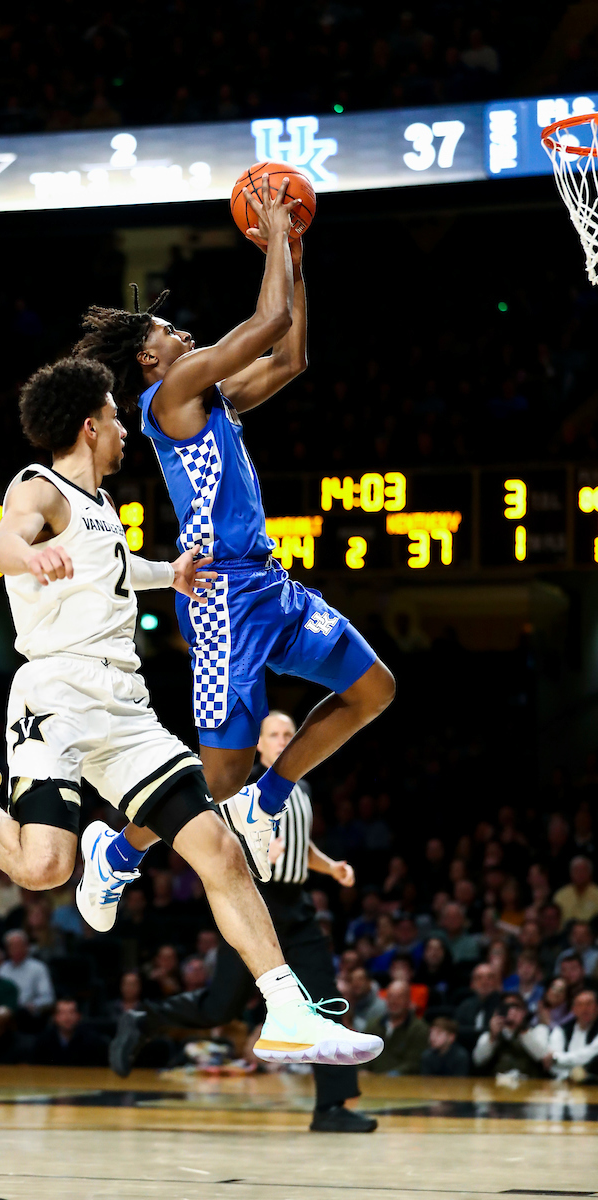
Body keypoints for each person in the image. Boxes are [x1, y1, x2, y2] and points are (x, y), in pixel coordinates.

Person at [0, 357, 382, 1071]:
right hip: (55, 700)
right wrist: (21, 559)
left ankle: (287, 1011)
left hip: (123, 709)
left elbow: (115, 570)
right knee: (42, 868)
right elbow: (6, 537)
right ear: (90, 426)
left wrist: (171, 573)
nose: (128, 428)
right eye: (117, 418)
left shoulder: (102, 511)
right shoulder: (41, 486)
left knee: (217, 847)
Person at [73, 176, 394, 883]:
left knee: (374, 689)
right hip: (221, 601)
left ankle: (269, 800)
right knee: (216, 780)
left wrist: (295, 256)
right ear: (150, 361)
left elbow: (291, 357)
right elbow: (268, 322)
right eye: (168, 332)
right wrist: (278, 231)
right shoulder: (170, 396)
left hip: (268, 585)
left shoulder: (209, 393)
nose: (182, 332)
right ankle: (118, 852)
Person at [109, 710, 378, 1132]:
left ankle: (333, 1106)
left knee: (324, 998)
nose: (284, 740)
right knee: (223, 1005)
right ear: (258, 743)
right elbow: (218, 846)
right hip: (254, 902)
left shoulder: (300, 786)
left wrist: (331, 868)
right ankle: (146, 1019)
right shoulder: (242, 788)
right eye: (275, 734)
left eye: (291, 733)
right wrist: (257, 856)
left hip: (299, 907)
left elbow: (299, 847)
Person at [472, 993, 548, 1078]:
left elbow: (544, 1059)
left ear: (524, 1012)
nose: (512, 1011)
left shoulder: (536, 1032)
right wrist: (492, 1038)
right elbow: (478, 1060)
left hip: (528, 1085)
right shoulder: (489, 1035)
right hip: (496, 1086)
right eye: (507, 1007)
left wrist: (522, 1030)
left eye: (516, 1008)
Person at [364, 980, 429, 1075]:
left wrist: (387, 1076)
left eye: (399, 997)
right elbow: (362, 1054)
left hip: (403, 1085)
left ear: (408, 1000)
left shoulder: (419, 1029)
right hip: (369, 1082)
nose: (394, 1001)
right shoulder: (373, 1024)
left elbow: (414, 1064)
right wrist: (362, 1071)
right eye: (390, 996)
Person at [32, 997, 108, 1066]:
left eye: (71, 1012)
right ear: (55, 1017)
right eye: (62, 1013)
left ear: (79, 1016)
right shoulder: (43, 1040)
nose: (67, 1017)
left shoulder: (93, 1041)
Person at [544, 989, 598, 1081]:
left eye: (589, 1004)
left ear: (596, 1008)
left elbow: (589, 1055)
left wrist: (557, 1059)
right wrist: (568, 1074)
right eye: (580, 1004)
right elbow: (553, 1065)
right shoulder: (561, 1030)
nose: (585, 1009)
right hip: (563, 1082)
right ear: (573, 1009)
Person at [552, 857, 598, 925]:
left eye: (583, 871)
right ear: (571, 873)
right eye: (576, 871)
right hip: (566, 934)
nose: (580, 874)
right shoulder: (561, 895)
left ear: (590, 873)